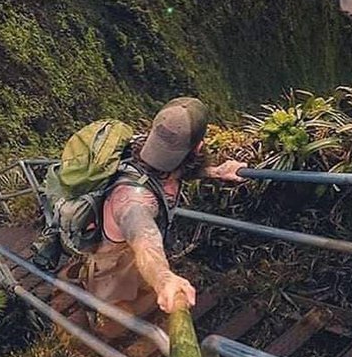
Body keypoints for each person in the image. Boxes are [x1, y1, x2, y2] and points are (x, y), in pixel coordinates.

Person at [74, 96, 246, 335]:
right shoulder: (133, 200)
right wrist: (164, 279)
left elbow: (177, 173)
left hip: (129, 267)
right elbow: (144, 240)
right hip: (113, 278)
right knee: (115, 332)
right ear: (198, 147)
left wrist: (217, 172)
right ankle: (98, 328)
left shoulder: (146, 156)